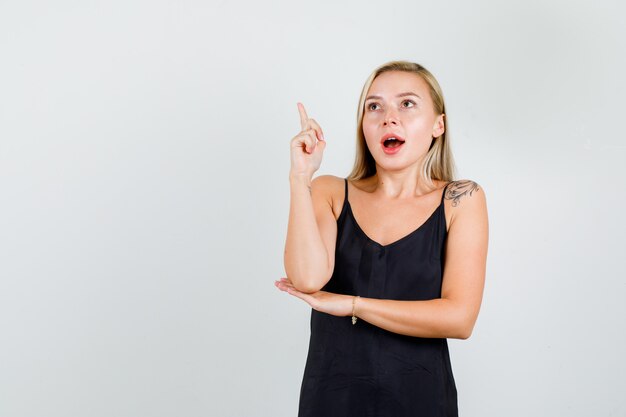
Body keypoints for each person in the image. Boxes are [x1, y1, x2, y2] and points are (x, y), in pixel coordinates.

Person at [274, 60, 489, 417]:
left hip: (421, 401)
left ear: (439, 124)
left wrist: (354, 305)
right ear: (364, 125)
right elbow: (307, 279)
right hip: (331, 400)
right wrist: (300, 178)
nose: (389, 117)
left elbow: (459, 318)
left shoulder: (461, 199)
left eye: (407, 103)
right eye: (374, 106)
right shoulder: (329, 190)